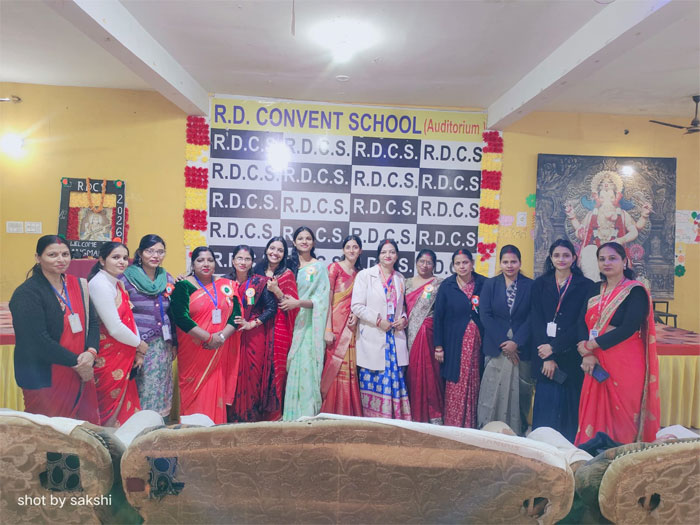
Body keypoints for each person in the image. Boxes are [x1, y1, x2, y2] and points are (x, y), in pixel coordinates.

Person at [574, 242, 660, 446]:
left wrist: (591, 345)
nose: (607, 263)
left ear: (624, 261)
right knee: (595, 413)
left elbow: (628, 327)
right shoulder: (594, 289)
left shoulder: (635, 291)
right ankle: (593, 453)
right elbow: (580, 322)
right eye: (602, 259)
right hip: (595, 359)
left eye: (612, 258)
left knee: (625, 414)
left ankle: (624, 456)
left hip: (625, 361)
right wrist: (587, 353)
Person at [10, 235, 100, 423]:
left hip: (79, 370)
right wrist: (79, 363)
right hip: (43, 374)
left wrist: (91, 352)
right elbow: (37, 340)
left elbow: (93, 322)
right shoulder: (26, 294)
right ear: (38, 258)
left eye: (65, 254)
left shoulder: (78, 286)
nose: (61, 259)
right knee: (48, 431)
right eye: (52, 255)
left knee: (79, 429)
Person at [170, 247, 241, 424]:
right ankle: (192, 433)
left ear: (215, 263)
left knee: (214, 391)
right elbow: (181, 318)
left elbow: (236, 316)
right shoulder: (183, 286)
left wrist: (220, 338)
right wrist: (209, 338)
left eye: (210, 260)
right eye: (200, 260)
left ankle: (214, 432)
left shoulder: (226, 285)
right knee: (194, 394)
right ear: (193, 264)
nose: (206, 264)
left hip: (218, 350)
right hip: (194, 350)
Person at [531, 239, 593, 443]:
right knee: (546, 410)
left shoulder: (586, 286)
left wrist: (554, 348)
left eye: (566, 255)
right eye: (557, 255)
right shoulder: (540, 284)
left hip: (571, 356)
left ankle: (568, 452)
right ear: (550, 258)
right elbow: (536, 319)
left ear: (574, 258)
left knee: (569, 411)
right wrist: (547, 356)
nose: (561, 259)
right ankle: (541, 450)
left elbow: (581, 323)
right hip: (544, 357)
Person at [351, 239, 411, 420]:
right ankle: (373, 422)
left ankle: (395, 420)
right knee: (373, 378)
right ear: (378, 255)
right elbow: (357, 306)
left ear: (397, 256)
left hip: (394, 337)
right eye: (384, 252)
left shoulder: (400, 278)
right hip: (374, 335)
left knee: (395, 380)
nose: (388, 255)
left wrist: (403, 319)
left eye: (392, 252)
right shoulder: (365, 275)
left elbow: (403, 308)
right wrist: (378, 321)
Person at [88, 241, 146, 426]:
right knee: (107, 411)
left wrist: (137, 349)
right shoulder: (99, 284)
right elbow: (114, 327)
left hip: (124, 353)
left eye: (124, 258)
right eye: (115, 257)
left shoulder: (118, 283)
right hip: (108, 357)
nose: (122, 262)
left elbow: (129, 318)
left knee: (125, 412)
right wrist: (139, 344)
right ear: (102, 260)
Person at [477, 245, 533, 434]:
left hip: (521, 347)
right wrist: (504, 343)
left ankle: (516, 430)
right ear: (500, 263)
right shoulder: (490, 284)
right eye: (505, 262)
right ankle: (488, 430)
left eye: (513, 262)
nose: (509, 266)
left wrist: (516, 342)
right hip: (496, 346)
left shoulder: (530, 285)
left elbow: (533, 316)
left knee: (520, 394)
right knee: (491, 392)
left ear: (520, 263)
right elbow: (485, 314)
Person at [120, 234, 175, 418]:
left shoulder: (166, 278)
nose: (155, 256)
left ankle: (159, 426)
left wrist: (174, 343)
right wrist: (135, 344)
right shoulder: (126, 278)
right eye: (150, 251)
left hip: (163, 344)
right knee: (141, 386)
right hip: (137, 344)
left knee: (161, 386)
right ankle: (140, 427)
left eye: (160, 252)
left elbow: (172, 312)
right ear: (140, 253)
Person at [564, 170, 651, 280]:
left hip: (615, 249)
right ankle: (593, 285)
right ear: (598, 198)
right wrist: (573, 217)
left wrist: (621, 240)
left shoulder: (622, 214)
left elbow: (634, 231)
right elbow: (581, 229)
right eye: (603, 197)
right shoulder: (592, 215)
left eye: (610, 197)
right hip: (595, 251)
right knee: (589, 251)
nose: (607, 201)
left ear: (616, 197)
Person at [281, 227, 330, 420]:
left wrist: (298, 303)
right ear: (294, 242)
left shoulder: (319, 267)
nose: (304, 241)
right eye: (300, 238)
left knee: (305, 368)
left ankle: (307, 415)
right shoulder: (288, 265)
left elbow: (322, 300)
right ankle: (291, 415)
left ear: (313, 242)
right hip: (287, 323)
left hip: (308, 325)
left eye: (308, 238)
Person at [433, 248, 486, 428]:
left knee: (474, 380)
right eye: (458, 263)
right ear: (453, 266)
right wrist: (438, 346)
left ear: (472, 263)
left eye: (465, 262)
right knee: (454, 381)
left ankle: (471, 426)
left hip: (477, 344)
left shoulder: (483, 283)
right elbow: (438, 317)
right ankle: (453, 425)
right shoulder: (447, 286)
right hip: (453, 343)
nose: (462, 266)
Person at [226, 245, 277, 422]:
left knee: (252, 376)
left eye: (247, 259)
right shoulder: (224, 283)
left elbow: (271, 308)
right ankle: (231, 419)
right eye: (239, 258)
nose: (243, 262)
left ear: (252, 262)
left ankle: (251, 419)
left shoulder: (260, 282)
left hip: (254, 336)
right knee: (231, 376)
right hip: (229, 337)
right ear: (233, 261)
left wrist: (252, 324)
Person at [253, 236, 299, 420]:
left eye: (280, 250)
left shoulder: (287, 275)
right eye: (272, 248)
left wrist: (277, 290)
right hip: (257, 327)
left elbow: (292, 306)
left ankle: (274, 416)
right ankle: (256, 413)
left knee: (274, 369)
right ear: (266, 249)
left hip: (278, 328)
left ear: (284, 254)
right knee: (257, 369)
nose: (275, 253)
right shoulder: (256, 270)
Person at [319, 235, 363, 416]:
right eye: (348, 247)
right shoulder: (334, 268)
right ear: (343, 250)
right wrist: (328, 329)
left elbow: (361, 302)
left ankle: (345, 410)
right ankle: (329, 409)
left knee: (348, 366)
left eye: (355, 247)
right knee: (332, 366)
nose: (351, 250)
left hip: (350, 328)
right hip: (334, 326)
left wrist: (356, 316)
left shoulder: (360, 274)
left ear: (360, 251)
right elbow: (327, 300)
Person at [405, 249, 444, 424]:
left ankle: (433, 414)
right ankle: (414, 413)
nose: (425, 265)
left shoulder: (439, 283)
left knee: (429, 373)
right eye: (422, 261)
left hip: (427, 335)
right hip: (408, 335)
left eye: (429, 262)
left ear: (434, 265)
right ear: (416, 262)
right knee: (412, 372)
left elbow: (441, 311)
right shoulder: (406, 282)